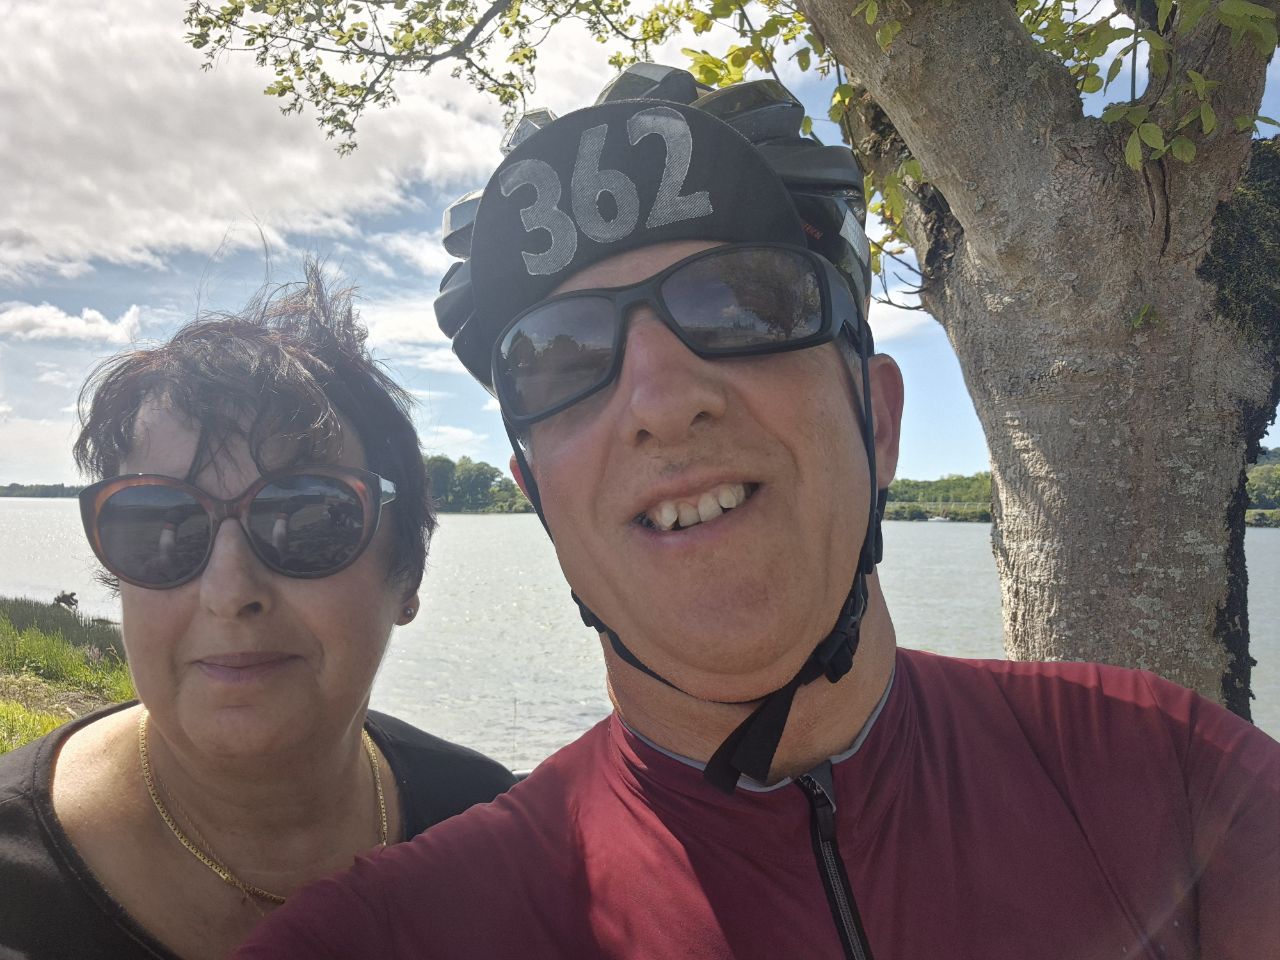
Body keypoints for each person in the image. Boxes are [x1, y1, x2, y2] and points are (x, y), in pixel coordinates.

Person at [235, 66, 1280, 959]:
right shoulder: (399, 933)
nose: (660, 399)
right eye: (560, 356)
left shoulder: (1173, 777)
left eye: (742, 303)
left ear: (877, 422)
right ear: (536, 496)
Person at [0, 265, 516, 960]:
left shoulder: (490, 836)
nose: (228, 589)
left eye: (308, 521)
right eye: (160, 525)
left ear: (408, 574)